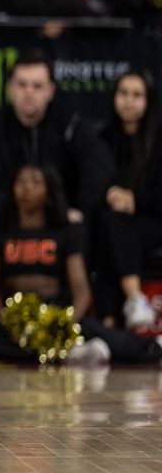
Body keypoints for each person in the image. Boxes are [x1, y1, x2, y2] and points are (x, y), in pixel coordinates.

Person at [0, 164, 162, 365]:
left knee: (104, 334)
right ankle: (66, 353)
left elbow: (81, 289)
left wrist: (64, 325)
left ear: (49, 190)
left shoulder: (64, 232)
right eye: (20, 182)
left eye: (35, 182)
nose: (26, 188)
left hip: (57, 312)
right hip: (15, 315)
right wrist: (10, 321)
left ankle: (153, 345)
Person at [0, 51, 113, 230]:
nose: (28, 92)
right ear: (10, 87)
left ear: (50, 91)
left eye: (37, 86)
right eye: (22, 85)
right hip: (9, 219)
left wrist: (80, 209)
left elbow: (99, 167)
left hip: (61, 218)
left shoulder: (69, 123)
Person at [97, 71, 162, 329]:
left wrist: (135, 200)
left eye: (137, 95)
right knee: (109, 224)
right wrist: (110, 194)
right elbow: (94, 181)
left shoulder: (159, 140)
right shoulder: (103, 139)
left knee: (113, 228)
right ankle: (130, 302)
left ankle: (109, 323)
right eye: (123, 93)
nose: (129, 101)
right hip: (118, 224)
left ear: (149, 100)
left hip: (155, 222)